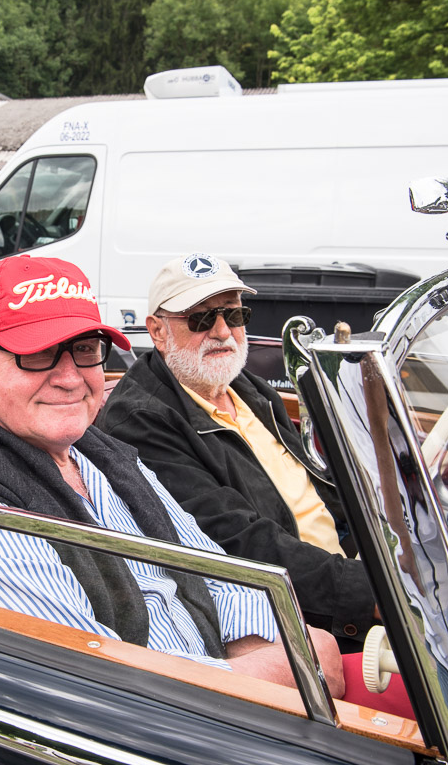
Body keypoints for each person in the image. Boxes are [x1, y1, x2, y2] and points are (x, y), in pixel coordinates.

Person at [0, 255, 345, 693]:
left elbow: (224, 576)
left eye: (85, 348)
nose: (71, 377)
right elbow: (116, 696)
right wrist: (286, 669)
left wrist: (266, 658)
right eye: (37, 352)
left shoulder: (100, 454)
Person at [97, 254, 376, 642]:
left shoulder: (248, 389)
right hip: (305, 614)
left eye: (234, 315)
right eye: (200, 319)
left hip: (349, 569)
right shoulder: (141, 420)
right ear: (158, 331)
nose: (223, 332)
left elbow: (321, 487)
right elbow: (236, 541)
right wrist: (369, 592)